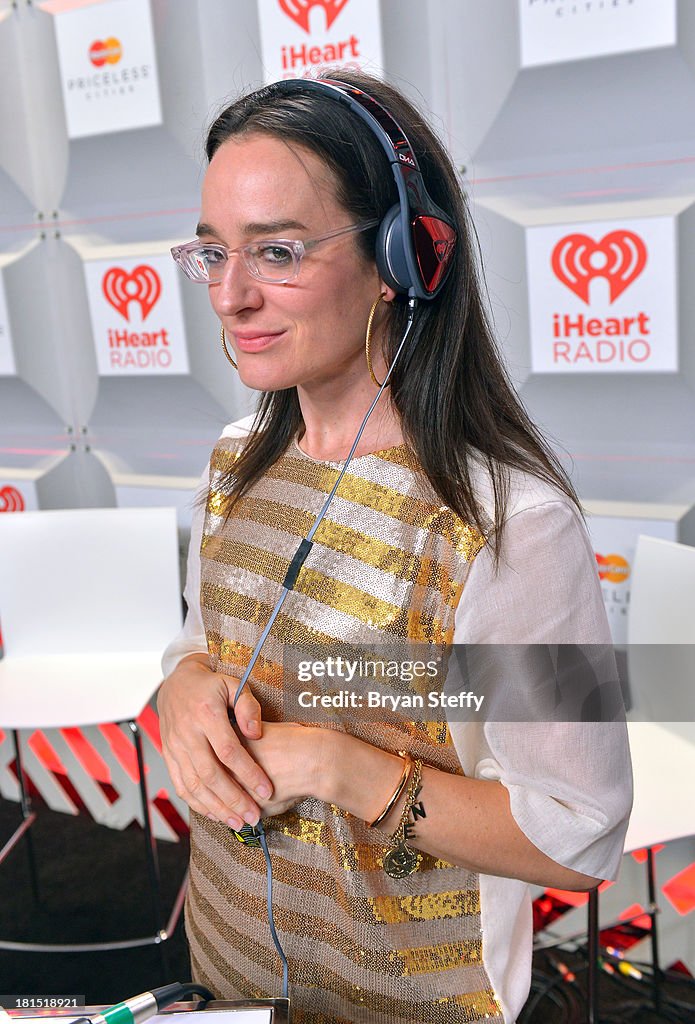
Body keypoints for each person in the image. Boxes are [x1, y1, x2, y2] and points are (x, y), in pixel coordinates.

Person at [159, 70, 632, 1024]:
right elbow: (203, 649)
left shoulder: (514, 523)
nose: (231, 296)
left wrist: (342, 768)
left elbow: (578, 837)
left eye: (277, 251)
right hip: (227, 970)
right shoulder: (234, 462)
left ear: (401, 259)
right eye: (212, 253)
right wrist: (177, 688)